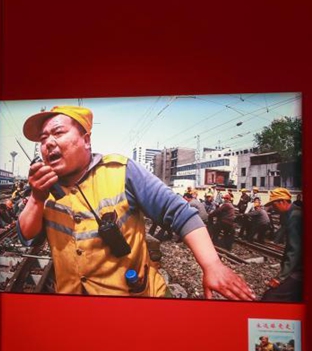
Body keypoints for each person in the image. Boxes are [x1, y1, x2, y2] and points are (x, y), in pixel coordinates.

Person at [18, 105, 253, 299]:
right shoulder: (45, 186)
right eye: (43, 138)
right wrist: (37, 197)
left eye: (58, 133)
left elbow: (180, 213)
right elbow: (27, 235)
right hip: (75, 306)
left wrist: (212, 265)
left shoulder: (122, 171)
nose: (48, 142)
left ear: (86, 139)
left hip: (136, 301)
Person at [261, 188, 302, 302]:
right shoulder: (294, 213)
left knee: (270, 297)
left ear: (283, 201)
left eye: (274, 205)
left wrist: (281, 277)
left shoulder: (295, 217)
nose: (273, 208)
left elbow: (295, 250)